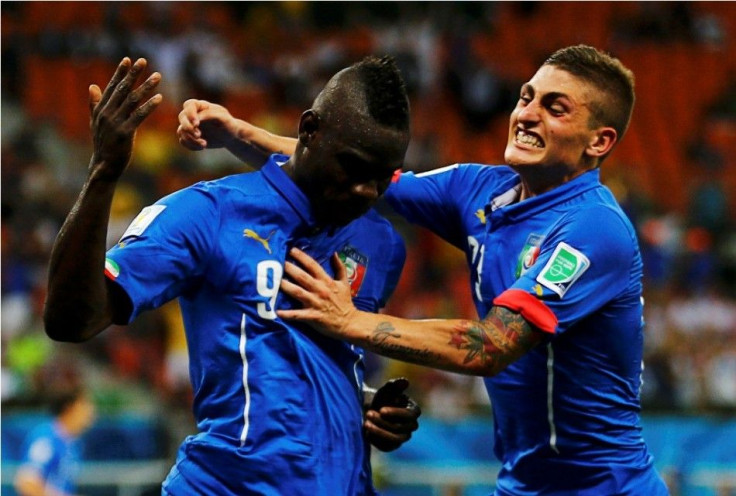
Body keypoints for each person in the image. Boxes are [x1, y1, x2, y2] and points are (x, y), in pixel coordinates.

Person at [177, 45, 670, 495]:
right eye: (526, 97)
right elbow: (343, 166)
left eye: (554, 108)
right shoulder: (480, 191)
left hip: (608, 487)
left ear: (599, 141)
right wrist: (238, 133)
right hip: (523, 485)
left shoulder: (593, 228)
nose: (526, 115)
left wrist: (353, 322)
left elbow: (492, 345)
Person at [44, 55, 421, 495]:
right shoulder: (210, 213)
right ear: (309, 130)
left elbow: (306, 363)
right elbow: (72, 320)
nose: (367, 192)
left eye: (382, 178)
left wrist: (365, 403)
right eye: (354, 168)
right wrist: (103, 172)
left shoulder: (381, 243)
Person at [14, 388, 96, 496]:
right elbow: (27, 482)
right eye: (85, 406)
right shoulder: (46, 439)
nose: (91, 413)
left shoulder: (73, 443)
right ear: (69, 408)